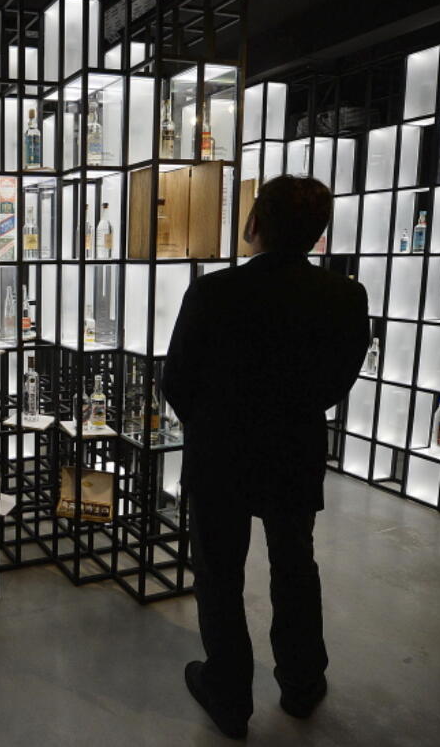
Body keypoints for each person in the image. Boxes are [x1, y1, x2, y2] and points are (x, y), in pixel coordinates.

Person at [161, 175, 370, 739]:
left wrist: (212, 425)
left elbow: (175, 379)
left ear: (254, 223)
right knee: (295, 566)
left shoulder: (214, 291)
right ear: (317, 233)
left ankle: (229, 696)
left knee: (219, 574)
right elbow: (336, 381)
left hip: (220, 454)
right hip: (292, 452)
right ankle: (302, 684)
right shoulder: (346, 296)